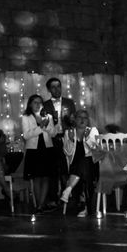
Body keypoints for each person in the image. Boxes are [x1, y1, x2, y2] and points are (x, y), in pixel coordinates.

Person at [42, 77, 76, 207]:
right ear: (49, 89)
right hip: (52, 139)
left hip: (67, 137)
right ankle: (53, 197)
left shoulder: (69, 102)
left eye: (58, 86)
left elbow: (74, 120)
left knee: (67, 168)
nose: (57, 89)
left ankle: (67, 195)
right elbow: (44, 124)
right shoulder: (45, 105)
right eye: (53, 87)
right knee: (54, 169)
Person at [60, 110, 100, 217]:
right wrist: (71, 140)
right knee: (81, 165)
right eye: (79, 117)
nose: (82, 120)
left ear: (88, 120)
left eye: (85, 118)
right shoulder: (69, 133)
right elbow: (67, 152)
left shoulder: (93, 131)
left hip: (92, 165)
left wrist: (87, 138)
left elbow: (95, 149)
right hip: (75, 168)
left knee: (84, 161)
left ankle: (68, 189)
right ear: (75, 119)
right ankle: (87, 208)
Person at [22, 94, 57, 213]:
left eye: (39, 102)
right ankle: (39, 205)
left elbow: (53, 133)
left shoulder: (49, 116)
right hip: (34, 150)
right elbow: (26, 135)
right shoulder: (26, 117)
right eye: (35, 102)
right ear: (30, 104)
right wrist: (40, 127)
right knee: (36, 178)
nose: (37, 105)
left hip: (47, 149)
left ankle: (41, 205)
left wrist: (46, 126)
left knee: (46, 177)